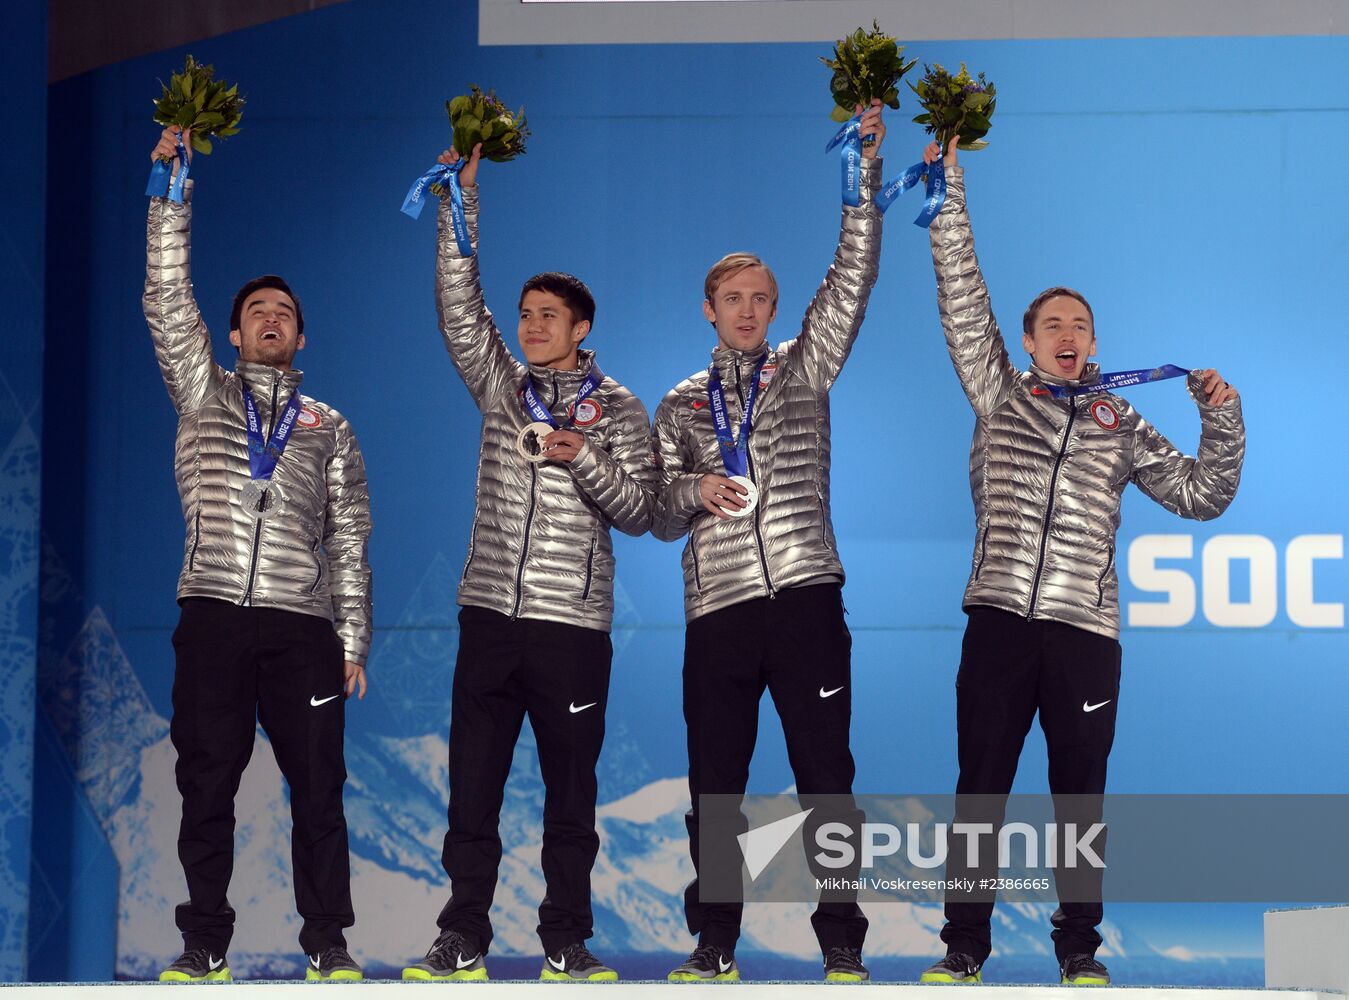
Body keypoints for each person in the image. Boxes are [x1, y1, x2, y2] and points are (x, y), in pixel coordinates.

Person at [917, 136, 1245, 986]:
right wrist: (946, 179)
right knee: (980, 788)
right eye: (1051, 324)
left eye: (1080, 325)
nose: (1068, 334)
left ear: (1094, 342)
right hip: (996, 621)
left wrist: (1221, 418)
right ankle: (963, 946)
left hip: (1084, 634)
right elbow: (960, 290)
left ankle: (1077, 952)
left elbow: (1201, 495)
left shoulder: (1119, 422)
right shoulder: (996, 392)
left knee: (1078, 801)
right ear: (1024, 341)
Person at [401, 143, 656, 984]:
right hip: (488, 618)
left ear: (583, 328)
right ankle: (462, 934)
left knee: (570, 798)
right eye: (525, 313)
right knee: (471, 790)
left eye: (549, 315)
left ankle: (565, 940)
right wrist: (459, 206)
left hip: (572, 629)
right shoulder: (499, 384)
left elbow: (642, 510)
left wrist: (582, 456)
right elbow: (456, 305)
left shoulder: (619, 407)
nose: (531, 325)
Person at [650, 100, 886, 984]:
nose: (747, 311)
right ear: (707, 308)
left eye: (761, 299)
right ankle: (713, 941)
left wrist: (860, 169)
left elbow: (852, 273)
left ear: (778, 309)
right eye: (733, 299)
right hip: (717, 611)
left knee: (825, 774)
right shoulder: (677, 404)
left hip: (805, 599)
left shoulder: (806, 366)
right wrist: (690, 487)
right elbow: (652, 510)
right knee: (717, 788)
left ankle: (841, 943)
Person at [143, 126, 373, 983]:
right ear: (233, 336)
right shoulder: (202, 394)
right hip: (210, 616)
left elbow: (349, 536)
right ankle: (204, 943)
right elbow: (167, 300)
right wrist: (171, 187)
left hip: (304, 627)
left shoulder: (329, 428)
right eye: (255, 313)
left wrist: (352, 637)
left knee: (319, 792)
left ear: (301, 339)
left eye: (285, 313)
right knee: (207, 786)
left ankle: (330, 944)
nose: (270, 319)